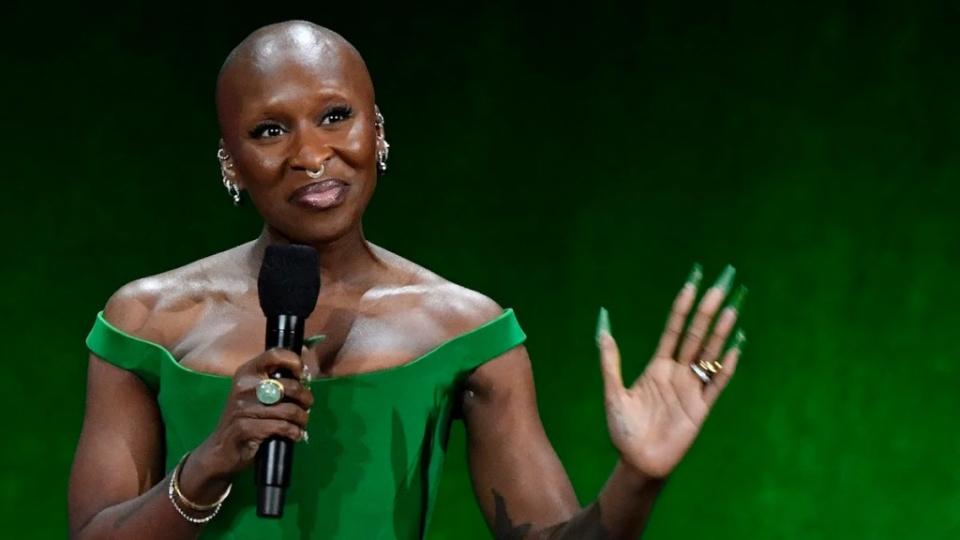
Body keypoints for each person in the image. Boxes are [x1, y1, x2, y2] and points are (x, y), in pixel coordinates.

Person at [68, 20, 748, 540]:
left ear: (379, 133)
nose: (311, 155)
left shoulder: (467, 331)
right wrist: (208, 463)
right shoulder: (148, 322)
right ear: (231, 163)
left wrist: (639, 479)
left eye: (336, 117)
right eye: (270, 130)